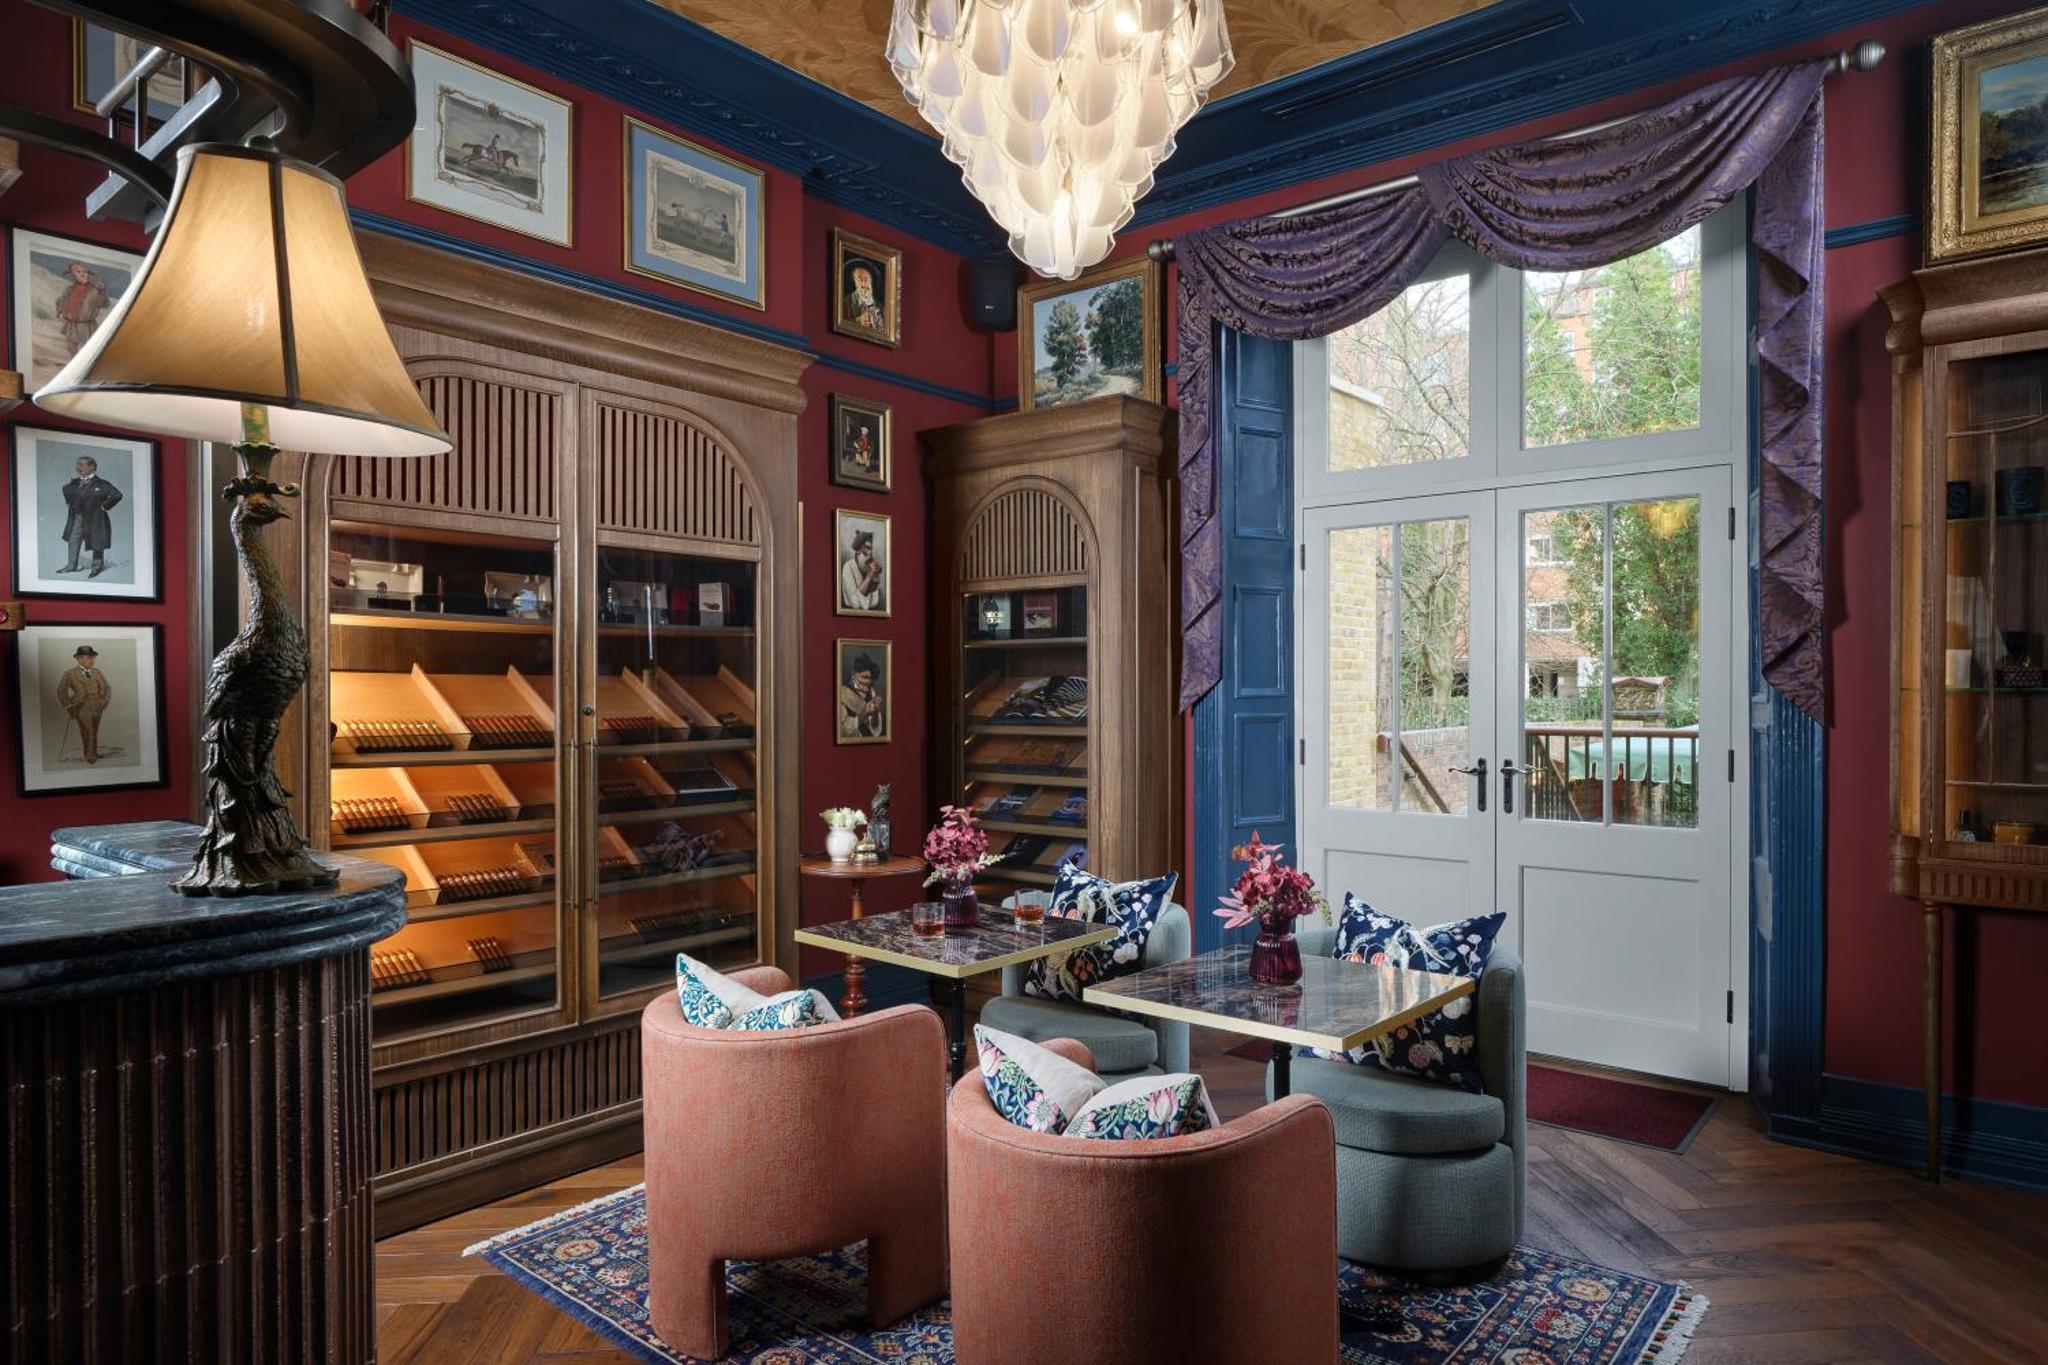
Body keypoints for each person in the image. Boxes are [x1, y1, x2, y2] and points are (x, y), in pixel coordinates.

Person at [57, 453, 123, 579]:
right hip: (77, 517)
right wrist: (70, 503)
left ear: (92, 467)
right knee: (73, 540)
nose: (78, 467)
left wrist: (105, 507)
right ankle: (71, 566)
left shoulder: (102, 483)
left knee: (97, 542)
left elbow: (117, 495)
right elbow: (66, 489)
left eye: (82, 465)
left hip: (95, 518)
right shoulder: (74, 484)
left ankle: (96, 568)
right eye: (77, 464)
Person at [56, 645, 111, 765]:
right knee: (88, 730)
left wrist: (104, 702)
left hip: (97, 707)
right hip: (81, 706)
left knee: (94, 731)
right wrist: (69, 706)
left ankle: (92, 752)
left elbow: (106, 688)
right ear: (79, 659)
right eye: (89, 658)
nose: (92, 660)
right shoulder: (70, 674)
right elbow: (61, 691)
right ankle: (90, 756)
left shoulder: (96, 672)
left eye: (93, 658)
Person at [55, 260, 110, 355]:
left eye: (84, 271)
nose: (82, 274)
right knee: (71, 347)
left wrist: (102, 292)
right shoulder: (69, 289)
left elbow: (106, 304)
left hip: (88, 326)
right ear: (74, 274)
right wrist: (59, 312)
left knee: (90, 350)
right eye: (78, 272)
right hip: (72, 325)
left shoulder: (95, 290)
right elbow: (60, 301)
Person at [839, 652, 884, 740]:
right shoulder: (843, 693)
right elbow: (843, 731)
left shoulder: (872, 693)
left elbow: (875, 731)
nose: (868, 681)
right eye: (864, 677)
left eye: (870, 678)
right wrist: (864, 713)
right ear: (854, 675)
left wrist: (875, 713)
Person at [840, 528, 883, 611]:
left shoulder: (867, 567)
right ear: (858, 551)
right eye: (867, 548)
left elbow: (874, 603)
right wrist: (869, 577)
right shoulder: (847, 567)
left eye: (871, 549)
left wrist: (874, 578)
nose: (870, 553)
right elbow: (855, 603)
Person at [844, 263, 885, 333]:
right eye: (859, 279)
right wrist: (858, 321)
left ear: (871, 280)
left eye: (866, 279)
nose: (863, 283)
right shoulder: (846, 302)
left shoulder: (881, 306)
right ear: (855, 282)